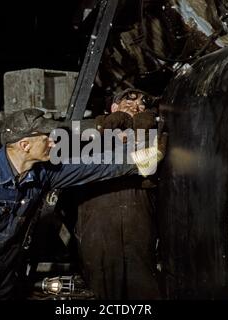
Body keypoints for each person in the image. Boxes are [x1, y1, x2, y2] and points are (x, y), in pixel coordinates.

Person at [0, 108, 163, 300]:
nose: (53, 142)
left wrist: (145, 159)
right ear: (25, 144)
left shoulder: (42, 174)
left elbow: (94, 167)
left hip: (3, 285)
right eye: (47, 137)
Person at [74, 88, 163, 299]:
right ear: (114, 107)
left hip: (137, 217)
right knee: (102, 285)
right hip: (99, 219)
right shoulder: (90, 131)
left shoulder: (152, 132)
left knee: (143, 283)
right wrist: (110, 128)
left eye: (141, 105)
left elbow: (149, 166)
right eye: (128, 104)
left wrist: (141, 131)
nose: (136, 107)